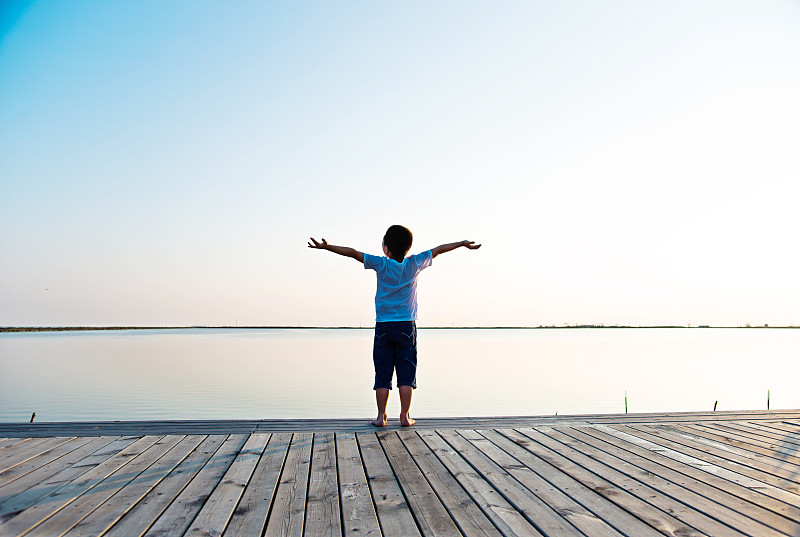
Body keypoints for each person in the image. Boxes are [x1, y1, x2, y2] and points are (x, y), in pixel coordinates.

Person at [308, 225, 481, 427]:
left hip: (383, 326)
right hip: (406, 326)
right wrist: (461, 243)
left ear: (386, 248)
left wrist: (327, 247)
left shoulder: (381, 264)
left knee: (383, 372)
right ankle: (405, 417)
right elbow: (439, 249)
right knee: (406, 373)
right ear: (408, 247)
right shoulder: (415, 263)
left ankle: (381, 417)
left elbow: (353, 253)